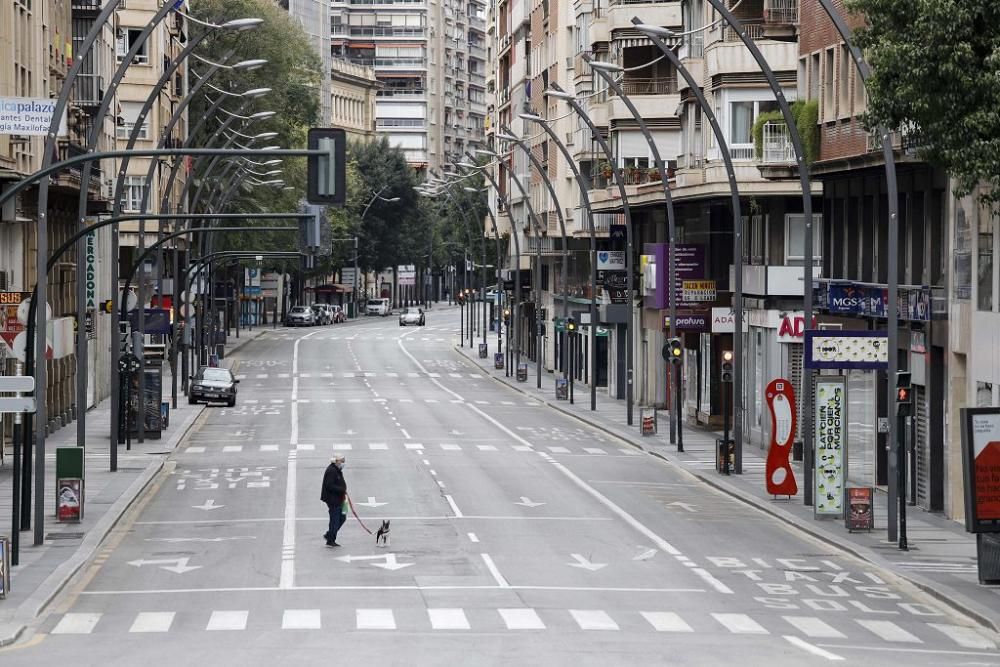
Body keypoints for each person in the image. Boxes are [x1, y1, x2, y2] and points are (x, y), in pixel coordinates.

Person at [321, 455, 347, 547]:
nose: (343, 463)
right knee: (335, 520)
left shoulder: (336, 469)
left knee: (342, 518)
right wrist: (341, 489)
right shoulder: (332, 471)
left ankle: (329, 534)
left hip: (338, 499)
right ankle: (330, 539)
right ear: (336, 461)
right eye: (341, 461)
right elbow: (329, 485)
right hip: (333, 500)